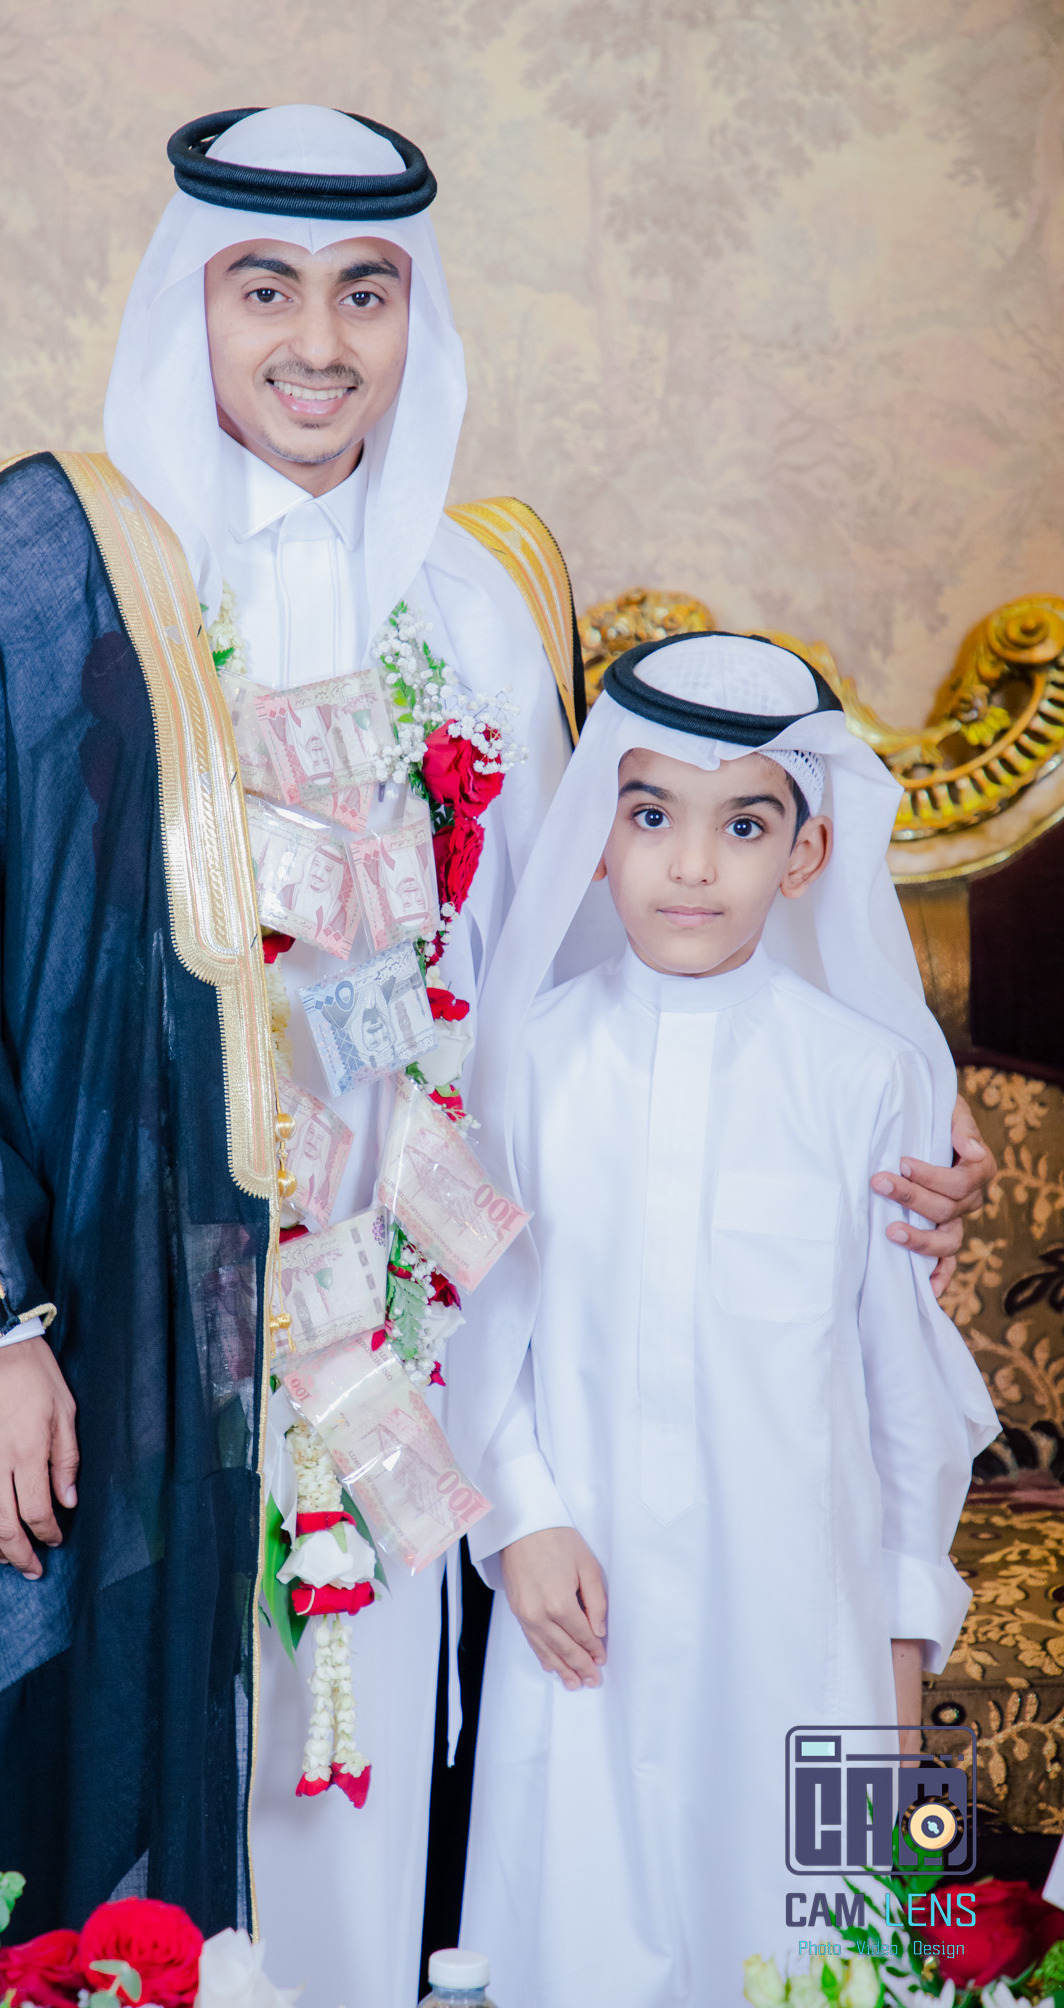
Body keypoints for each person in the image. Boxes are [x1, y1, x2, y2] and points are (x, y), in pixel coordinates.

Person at [0, 101, 990, 2007]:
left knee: (392, 1814)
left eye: (366, 291)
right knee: (116, 1824)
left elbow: (603, 975)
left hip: (421, 1349)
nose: (317, 342)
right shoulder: (46, 560)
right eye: (265, 287)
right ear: (192, 298)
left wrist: (896, 1147)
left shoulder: (483, 595)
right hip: (128, 1331)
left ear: (420, 315)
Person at [449, 633, 1001, 2008]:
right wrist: (519, 1520)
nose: (690, 866)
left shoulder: (869, 1081)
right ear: (597, 835)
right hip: (579, 1626)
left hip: (804, 1649)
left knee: (818, 1956)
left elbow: (904, 1408)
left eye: (742, 826)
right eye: (651, 817)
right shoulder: (517, 1067)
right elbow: (470, 1336)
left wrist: (894, 1692)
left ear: (804, 856)